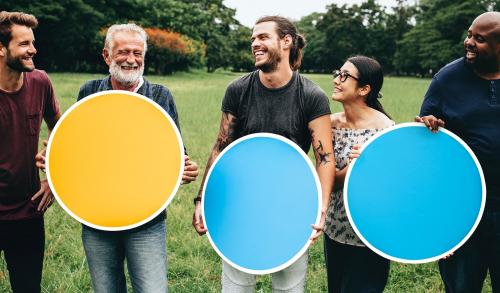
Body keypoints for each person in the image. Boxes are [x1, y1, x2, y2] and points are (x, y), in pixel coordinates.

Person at [41, 23, 198, 293]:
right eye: (123, 52)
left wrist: (183, 170)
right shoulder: (89, 93)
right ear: (106, 56)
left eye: (138, 53)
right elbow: (79, 150)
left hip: (146, 220)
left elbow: (175, 154)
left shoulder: (160, 96)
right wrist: (55, 161)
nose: (131, 59)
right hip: (97, 217)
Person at [192, 16, 335, 292]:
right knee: (236, 285)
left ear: (286, 42)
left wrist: (321, 207)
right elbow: (221, 145)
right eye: (253, 39)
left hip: (291, 203)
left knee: (289, 287)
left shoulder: (311, 95)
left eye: (262, 37)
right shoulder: (238, 90)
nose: (255, 44)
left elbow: (325, 158)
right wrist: (201, 199)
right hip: (239, 202)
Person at [416, 11, 500, 293]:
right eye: (469, 34)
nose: (469, 42)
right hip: (462, 205)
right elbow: (422, 142)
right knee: (461, 286)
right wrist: (428, 125)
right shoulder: (447, 79)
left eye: (480, 39)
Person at [0, 11, 61, 292]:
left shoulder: (40, 82)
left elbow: (63, 132)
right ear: (2, 48)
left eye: (32, 42)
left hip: (28, 212)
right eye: (24, 44)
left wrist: (52, 179)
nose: (33, 49)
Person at [323, 56, 393, 293]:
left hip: (370, 235)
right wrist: (353, 169)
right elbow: (326, 182)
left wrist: (367, 168)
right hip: (334, 230)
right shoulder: (329, 125)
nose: (336, 80)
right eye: (337, 73)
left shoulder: (385, 130)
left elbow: (391, 188)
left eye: (345, 76)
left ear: (364, 89)